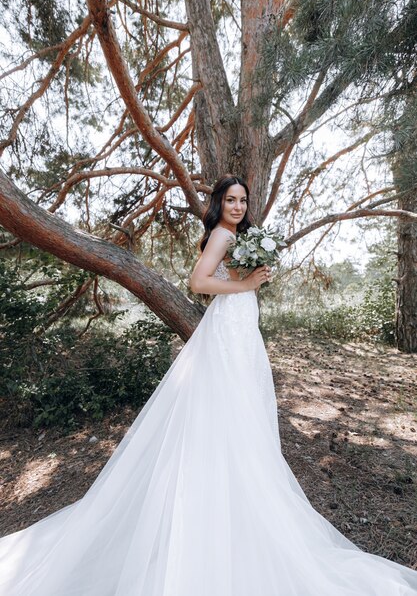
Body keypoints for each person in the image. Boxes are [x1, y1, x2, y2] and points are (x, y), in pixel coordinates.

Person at [0, 175, 416, 596]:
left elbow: (223, 279)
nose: (237, 206)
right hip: (228, 331)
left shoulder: (236, 235)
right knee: (228, 414)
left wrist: (248, 277)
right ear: (219, 203)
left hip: (239, 329)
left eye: (243, 200)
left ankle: (237, 508)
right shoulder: (220, 234)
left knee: (237, 417)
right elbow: (198, 282)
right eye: (230, 200)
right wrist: (245, 284)